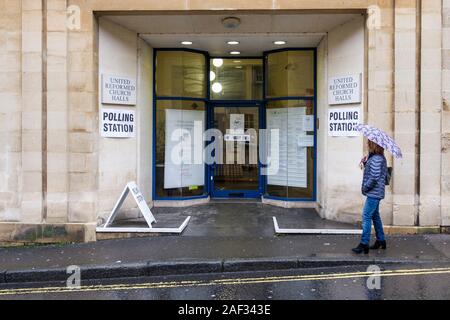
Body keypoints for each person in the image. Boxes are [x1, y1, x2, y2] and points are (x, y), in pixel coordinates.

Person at [352, 140, 388, 254]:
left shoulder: (377, 159)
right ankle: (381, 240)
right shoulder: (376, 158)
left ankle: (364, 243)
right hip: (376, 192)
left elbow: (374, 177)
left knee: (366, 216)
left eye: (369, 143)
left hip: (374, 193)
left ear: (374, 145)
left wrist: (365, 188)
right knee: (375, 216)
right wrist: (366, 162)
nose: (367, 145)